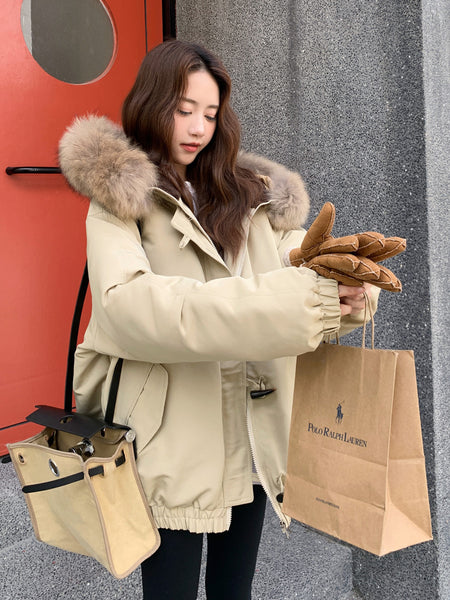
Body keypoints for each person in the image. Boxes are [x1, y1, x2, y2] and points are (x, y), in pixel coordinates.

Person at [59, 40, 377, 600]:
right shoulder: (120, 199)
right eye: (183, 110)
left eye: (210, 113)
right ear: (152, 104)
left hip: (253, 431)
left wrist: (348, 292)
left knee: (235, 592)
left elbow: (302, 274)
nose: (198, 128)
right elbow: (130, 308)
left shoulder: (254, 197)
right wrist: (298, 301)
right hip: (171, 439)